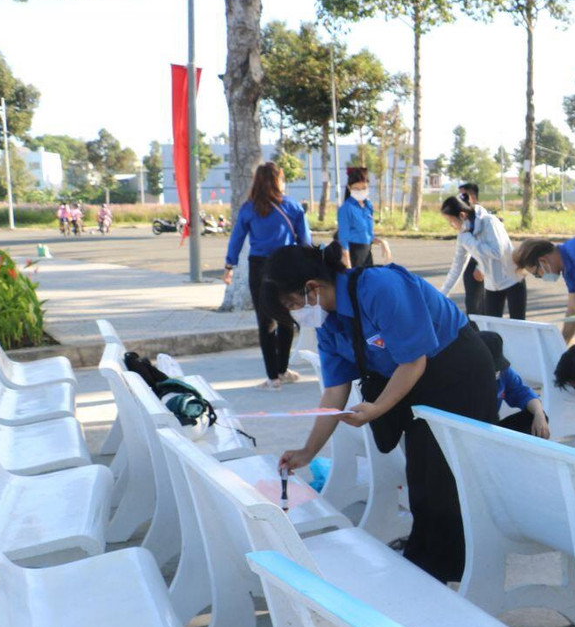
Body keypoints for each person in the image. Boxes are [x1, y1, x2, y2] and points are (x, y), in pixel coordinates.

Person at [266, 242, 499, 583]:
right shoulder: (328, 322)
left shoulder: (379, 288)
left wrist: (377, 408)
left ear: (311, 288)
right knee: (422, 473)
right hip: (411, 380)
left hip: (456, 370)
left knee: (445, 473)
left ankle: (450, 567)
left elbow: (414, 358)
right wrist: (307, 451)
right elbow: (334, 390)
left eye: (291, 304)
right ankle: (432, 560)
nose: (296, 313)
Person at [223, 161, 312, 389]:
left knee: (265, 322)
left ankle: (273, 377)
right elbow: (305, 241)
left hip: (259, 267)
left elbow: (237, 238)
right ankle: (282, 370)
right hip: (286, 266)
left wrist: (229, 264)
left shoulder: (249, 208)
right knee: (286, 319)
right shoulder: (292, 206)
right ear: (278, 180)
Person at [439, 193, 526, 319]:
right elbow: (457, 266)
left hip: (513, 280)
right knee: (491, 329)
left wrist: (472, 245)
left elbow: (498, 252)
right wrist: (442, 294)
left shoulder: (489, 222)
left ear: (462, 216)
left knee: (519, 326)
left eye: (451, 221)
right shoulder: (463, 236)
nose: (451, 225)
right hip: (492, 286)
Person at [480, 330, 549, 439]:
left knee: (534, 417)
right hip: (467, 429)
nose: (496, 372)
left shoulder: (503, 373)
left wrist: (539, 414)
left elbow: (524, 393)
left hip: (492, 428)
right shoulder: (464, 376)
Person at [336, 166, 376, 268]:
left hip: (367, 253)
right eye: (356, 189)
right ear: (349, 188)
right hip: (353, 254)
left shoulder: (368, 206)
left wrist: (381, 242)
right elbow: (343, 237)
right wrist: (347, 261)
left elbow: (368, 234)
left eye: (363, 188)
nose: (360, 191)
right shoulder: (346, 208)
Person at [456, 182, 486, 315]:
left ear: (472, 196)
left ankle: (479, 333)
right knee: (473, 303)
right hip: (471, 261)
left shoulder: (480, 215)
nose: (459, 198)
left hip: (478, 262)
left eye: (462, 195)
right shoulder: (467, 213)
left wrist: (480, 266)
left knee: (476, 305)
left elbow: (485, 244)